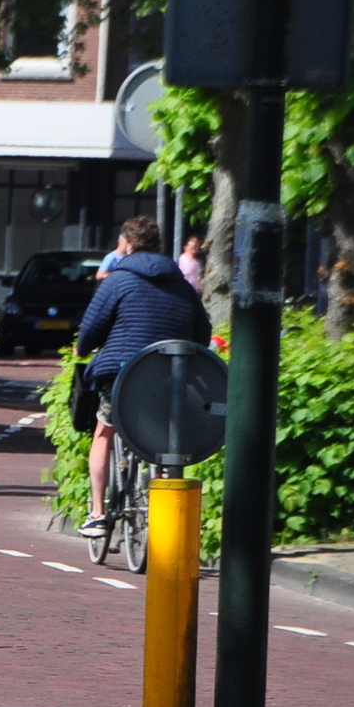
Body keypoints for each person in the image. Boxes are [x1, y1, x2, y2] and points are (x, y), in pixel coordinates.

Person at [74, 215, 211, 538]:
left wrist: (82, 349)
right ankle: (160, 515)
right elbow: (203, 333)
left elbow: (92, 328)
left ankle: (97, 513)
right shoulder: (181, 285)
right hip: (169, 378)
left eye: (120, 245)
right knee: (163, 443)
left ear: (130, 245)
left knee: (103, 433)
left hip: (124, 377)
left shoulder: (118, 281)